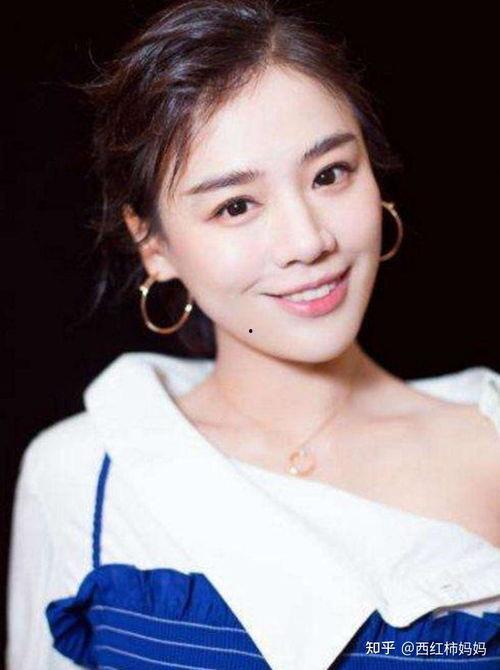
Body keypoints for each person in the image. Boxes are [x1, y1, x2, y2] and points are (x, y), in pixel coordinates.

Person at [6, 0, 500, 668]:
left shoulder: (488, 440)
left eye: (330, 174)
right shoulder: (87, 472)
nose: (307, 241)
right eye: (235, 206)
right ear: (153, 244)